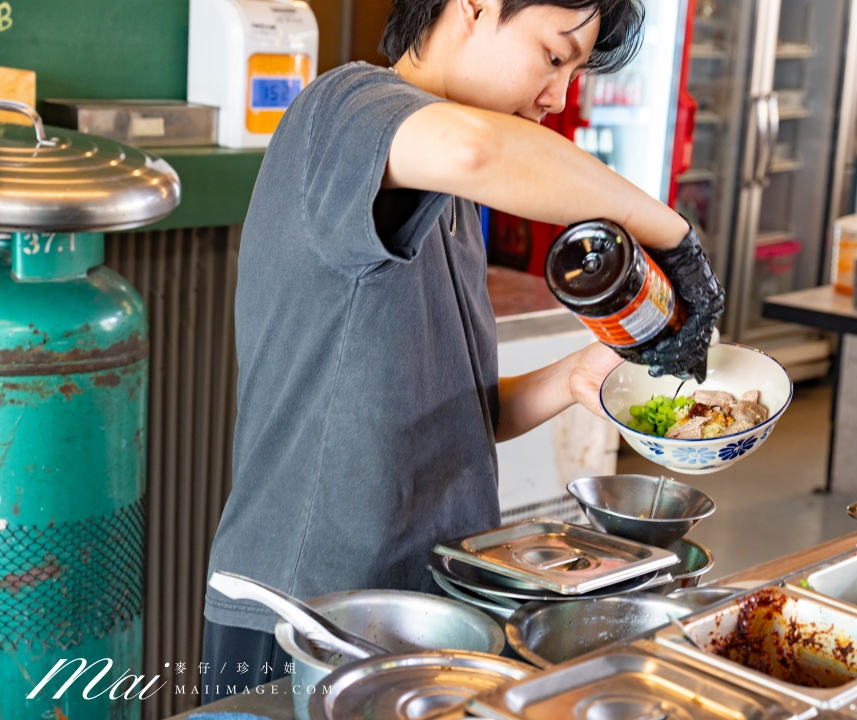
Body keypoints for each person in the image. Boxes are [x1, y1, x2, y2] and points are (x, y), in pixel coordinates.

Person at [200, 0, 723, 701]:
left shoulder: (447, 200)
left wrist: (576, 377)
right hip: (307, 619)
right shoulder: (343, 107)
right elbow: (475, 147)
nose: (558, 94)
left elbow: (454, 415)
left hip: (424, 608)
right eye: (554, 55)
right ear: (473, 7)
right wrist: (671, 234)